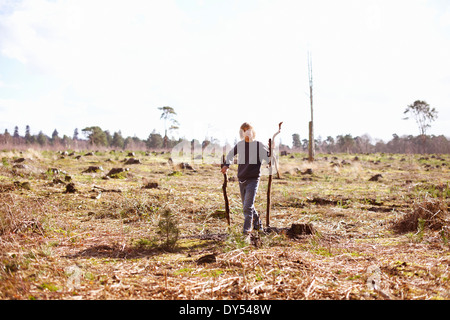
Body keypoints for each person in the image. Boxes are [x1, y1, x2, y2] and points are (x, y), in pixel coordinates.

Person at [221, 122, 270, 236]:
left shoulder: (259, 145)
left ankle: (246, 232)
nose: (246, 132)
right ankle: (259, 226)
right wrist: (226, 165)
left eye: (248, 129)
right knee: (248, 206)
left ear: (252, 131)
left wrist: (269, 153)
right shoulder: (240, 145)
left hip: (253, 180)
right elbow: (230, 155)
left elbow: (267, 159)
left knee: (247, 207)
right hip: (241, 179)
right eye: (244, 130)